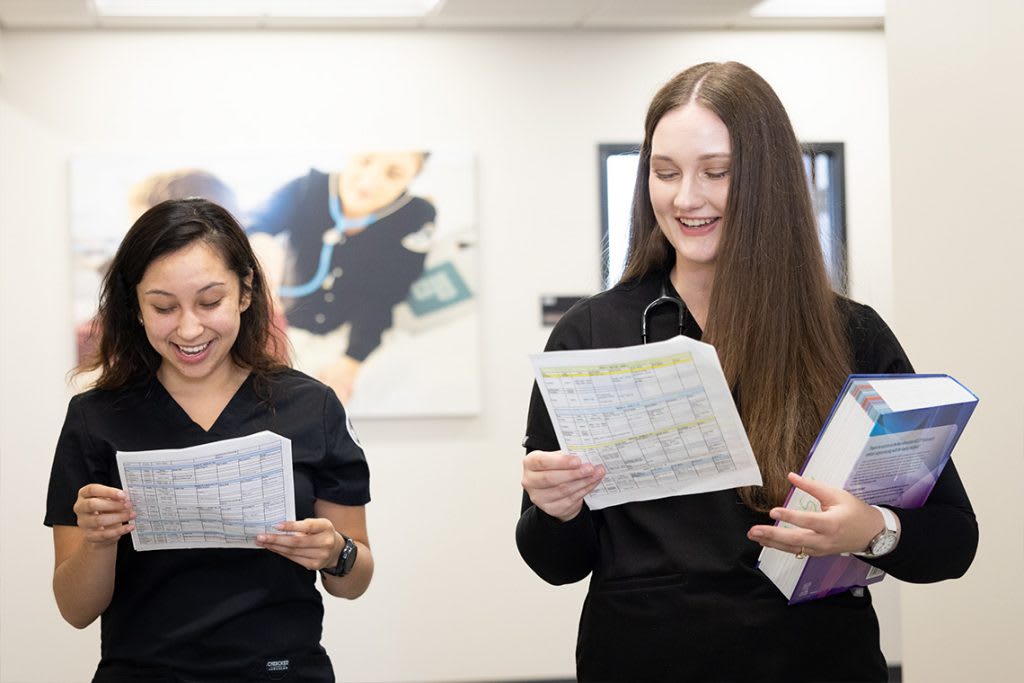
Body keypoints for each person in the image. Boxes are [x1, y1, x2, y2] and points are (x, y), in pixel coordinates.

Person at [516, 61, 977, 683]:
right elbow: (556, 562)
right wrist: (556, 509)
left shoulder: (850, 335)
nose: (685, 198)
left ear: (769, 181)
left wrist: (871, 530)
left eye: (717, 172)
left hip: (814, 659)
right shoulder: (590, 336)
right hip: (641, 658)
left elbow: (951, 541)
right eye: (665, 172)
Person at [46, 198, 373, 683]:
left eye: (209, 301)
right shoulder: (96, 418)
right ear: (134, 307)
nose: (189, 328)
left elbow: (354, 580)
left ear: (245, 293)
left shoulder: (312, 407)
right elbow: (75, 610)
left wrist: (335, 552)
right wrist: (97, 542)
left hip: (281, 672)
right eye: (163, 307)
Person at [248, 151, 436, 403]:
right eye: (365, 160)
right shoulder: (307, 187)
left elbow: (385, 296)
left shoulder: (416, 216)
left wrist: (351, 362)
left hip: (349, 339)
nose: (369, 181)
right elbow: (251, 225)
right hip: (282, 326)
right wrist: (261, 251)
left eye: (394, 174)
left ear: (411, 180)